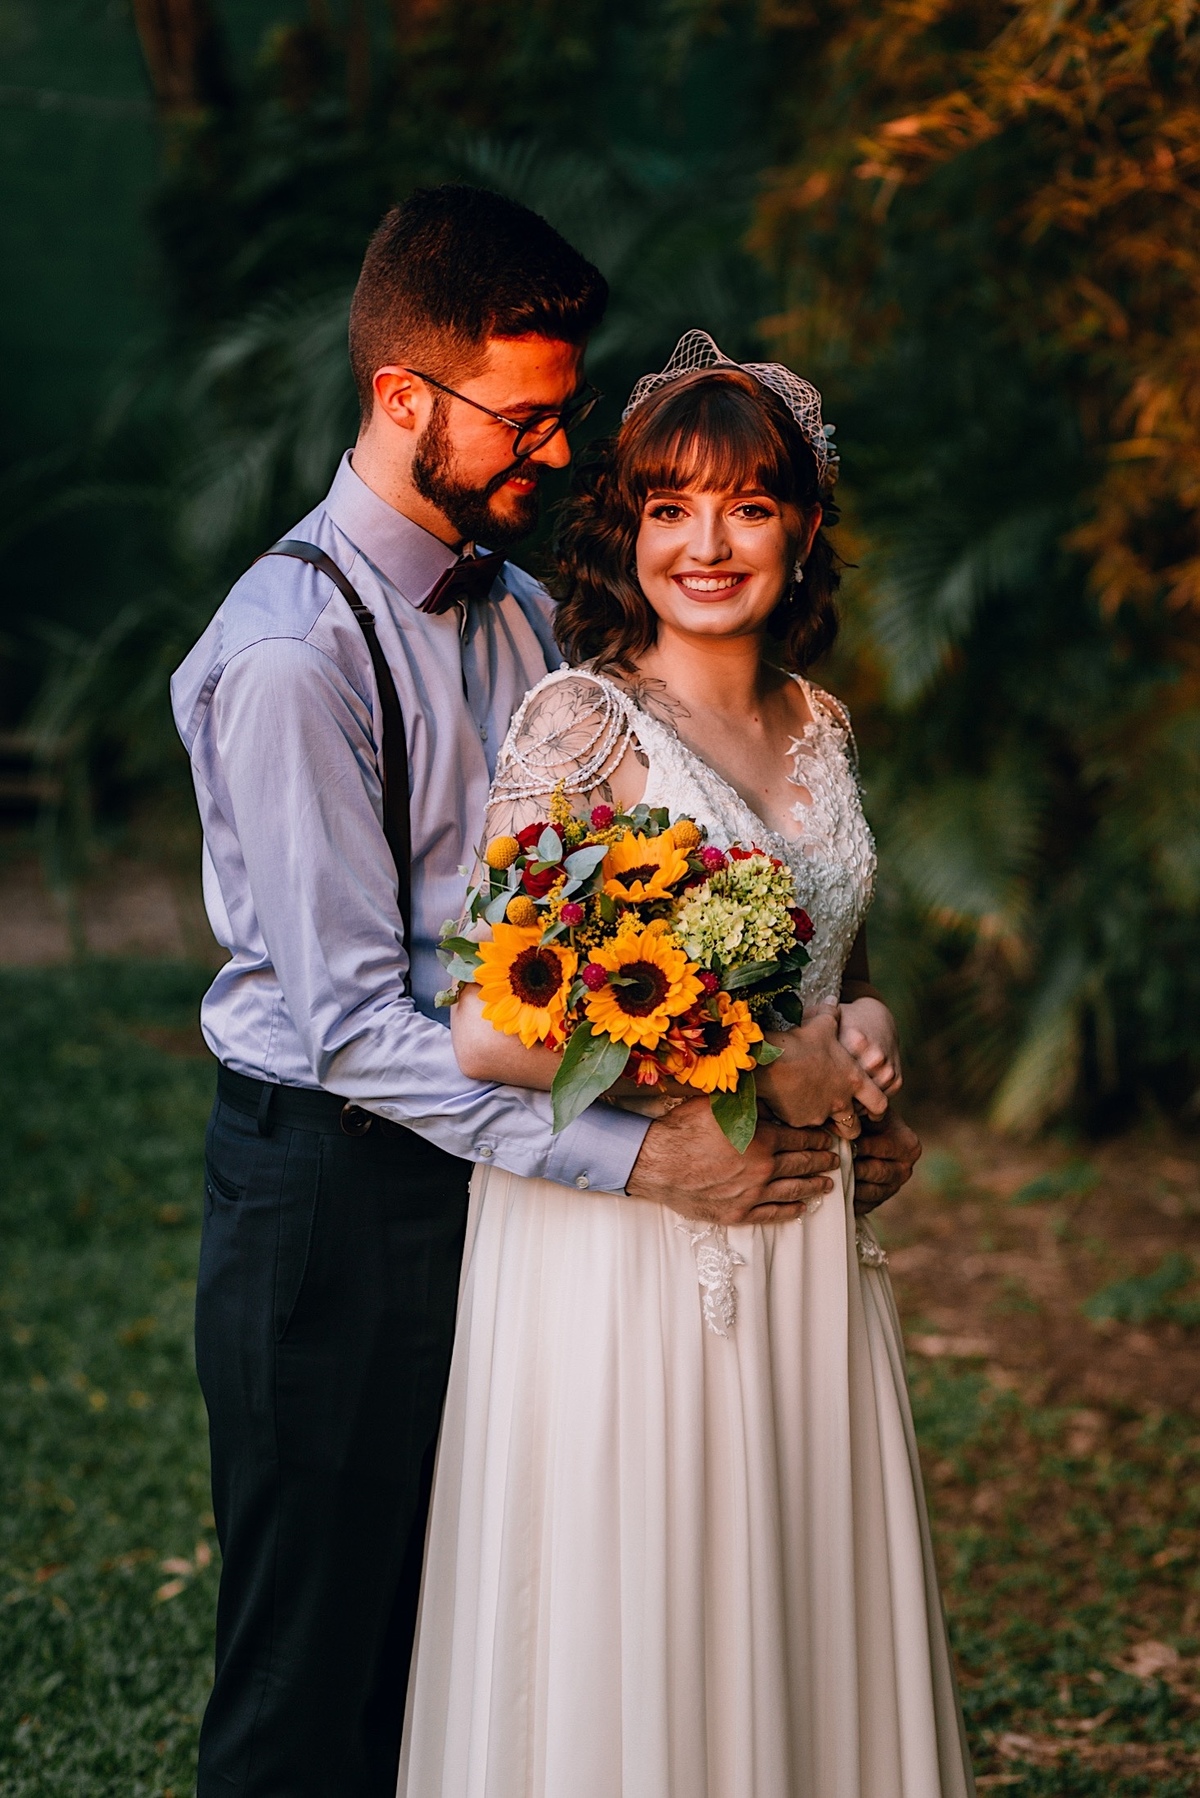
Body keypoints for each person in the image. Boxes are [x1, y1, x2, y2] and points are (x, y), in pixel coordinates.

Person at [171, 192, 920, 1798]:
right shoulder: (295, 654)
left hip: (516, 1200)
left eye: (570, 412)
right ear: (404, 397)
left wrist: (834, 1053)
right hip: (338, 1194)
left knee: (476, 1635)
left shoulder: (522, 613)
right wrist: (646, 1152)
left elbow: (668, 889)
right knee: (314, 1679)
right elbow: (356, 1028)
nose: (563, 451)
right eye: (527, 417)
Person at [398, 333, 970, 1798]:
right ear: (631, 529)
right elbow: (490, 1026)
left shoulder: (821, 726)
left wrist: (868, 1040)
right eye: (670, 508)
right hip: (632, 1250)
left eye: (748, 507)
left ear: (804, 528)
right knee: (645, 1615)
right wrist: (751, 1065)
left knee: (798, 1607)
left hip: (802, 1244)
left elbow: (837, 972)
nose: (706, 545)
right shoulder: (581, 727)